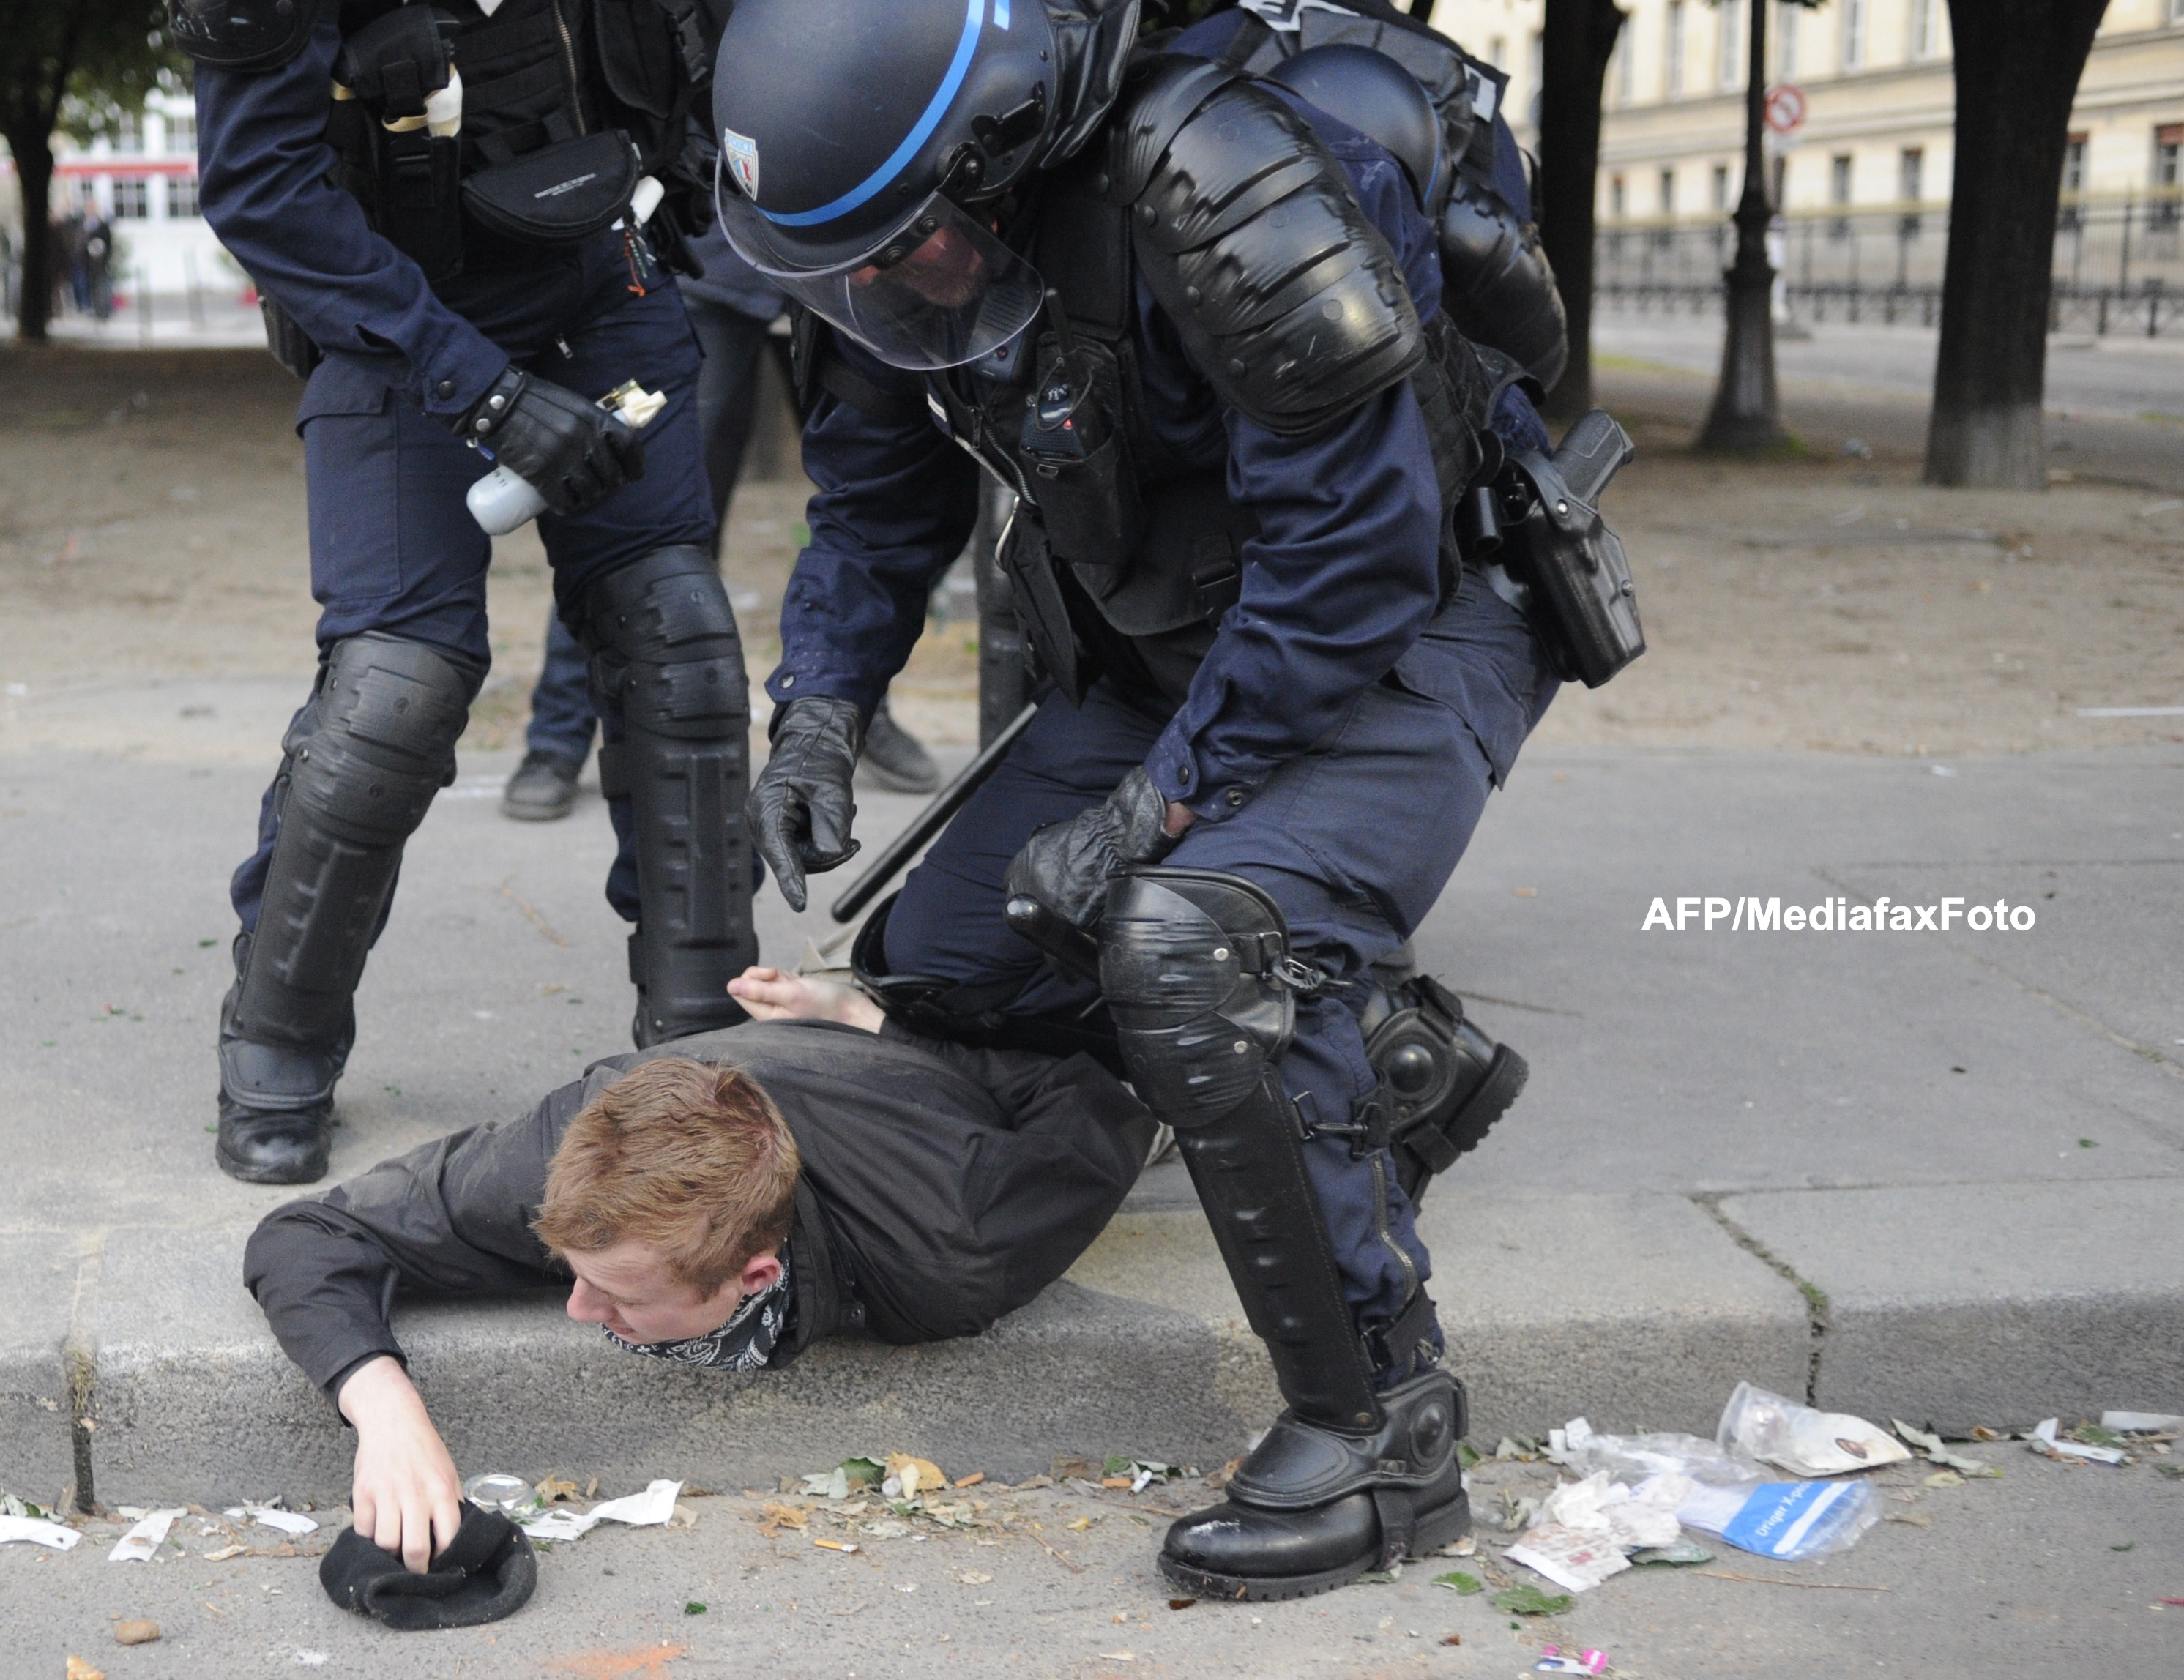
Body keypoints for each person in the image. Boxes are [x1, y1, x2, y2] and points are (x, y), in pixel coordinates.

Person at [717, 0, 1630, 1602]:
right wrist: (814, 714)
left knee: (1188, 938)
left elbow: (1349, 566)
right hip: (1180, 644)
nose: (879, 288)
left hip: (1409, 627)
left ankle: (1381, 1428)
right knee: (961, 956)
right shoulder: (893, 245)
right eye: (846, 267)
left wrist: (1155, 811)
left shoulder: (1227, 182)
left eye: (903, 249)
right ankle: (1392, 1071)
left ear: (998, 160)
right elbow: (869, 503)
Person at [176, 0, 761, 1186]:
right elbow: (259, 192)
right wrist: (482, 394)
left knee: (679, 638)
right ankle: (276, 1039)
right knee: (395, 689)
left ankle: (701, 1036)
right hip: (398, 308)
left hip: (605, 276)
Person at [243, 965, 1155, 1579]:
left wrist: (875, 1020)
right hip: (722, 1067)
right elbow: (305, 1233)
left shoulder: (960, 1247)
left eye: (619, 1295)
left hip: (905, 1087)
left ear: (753, 1278)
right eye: (573, 1270)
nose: (574, 1309)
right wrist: (386, 1412)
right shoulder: (562, 1155)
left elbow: (1085, 1102)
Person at [500, 231, 942, 822]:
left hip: (843, 265)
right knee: (635, 513)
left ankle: (851, 712)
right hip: (717, 262)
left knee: (877, 497)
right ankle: (558, 736)